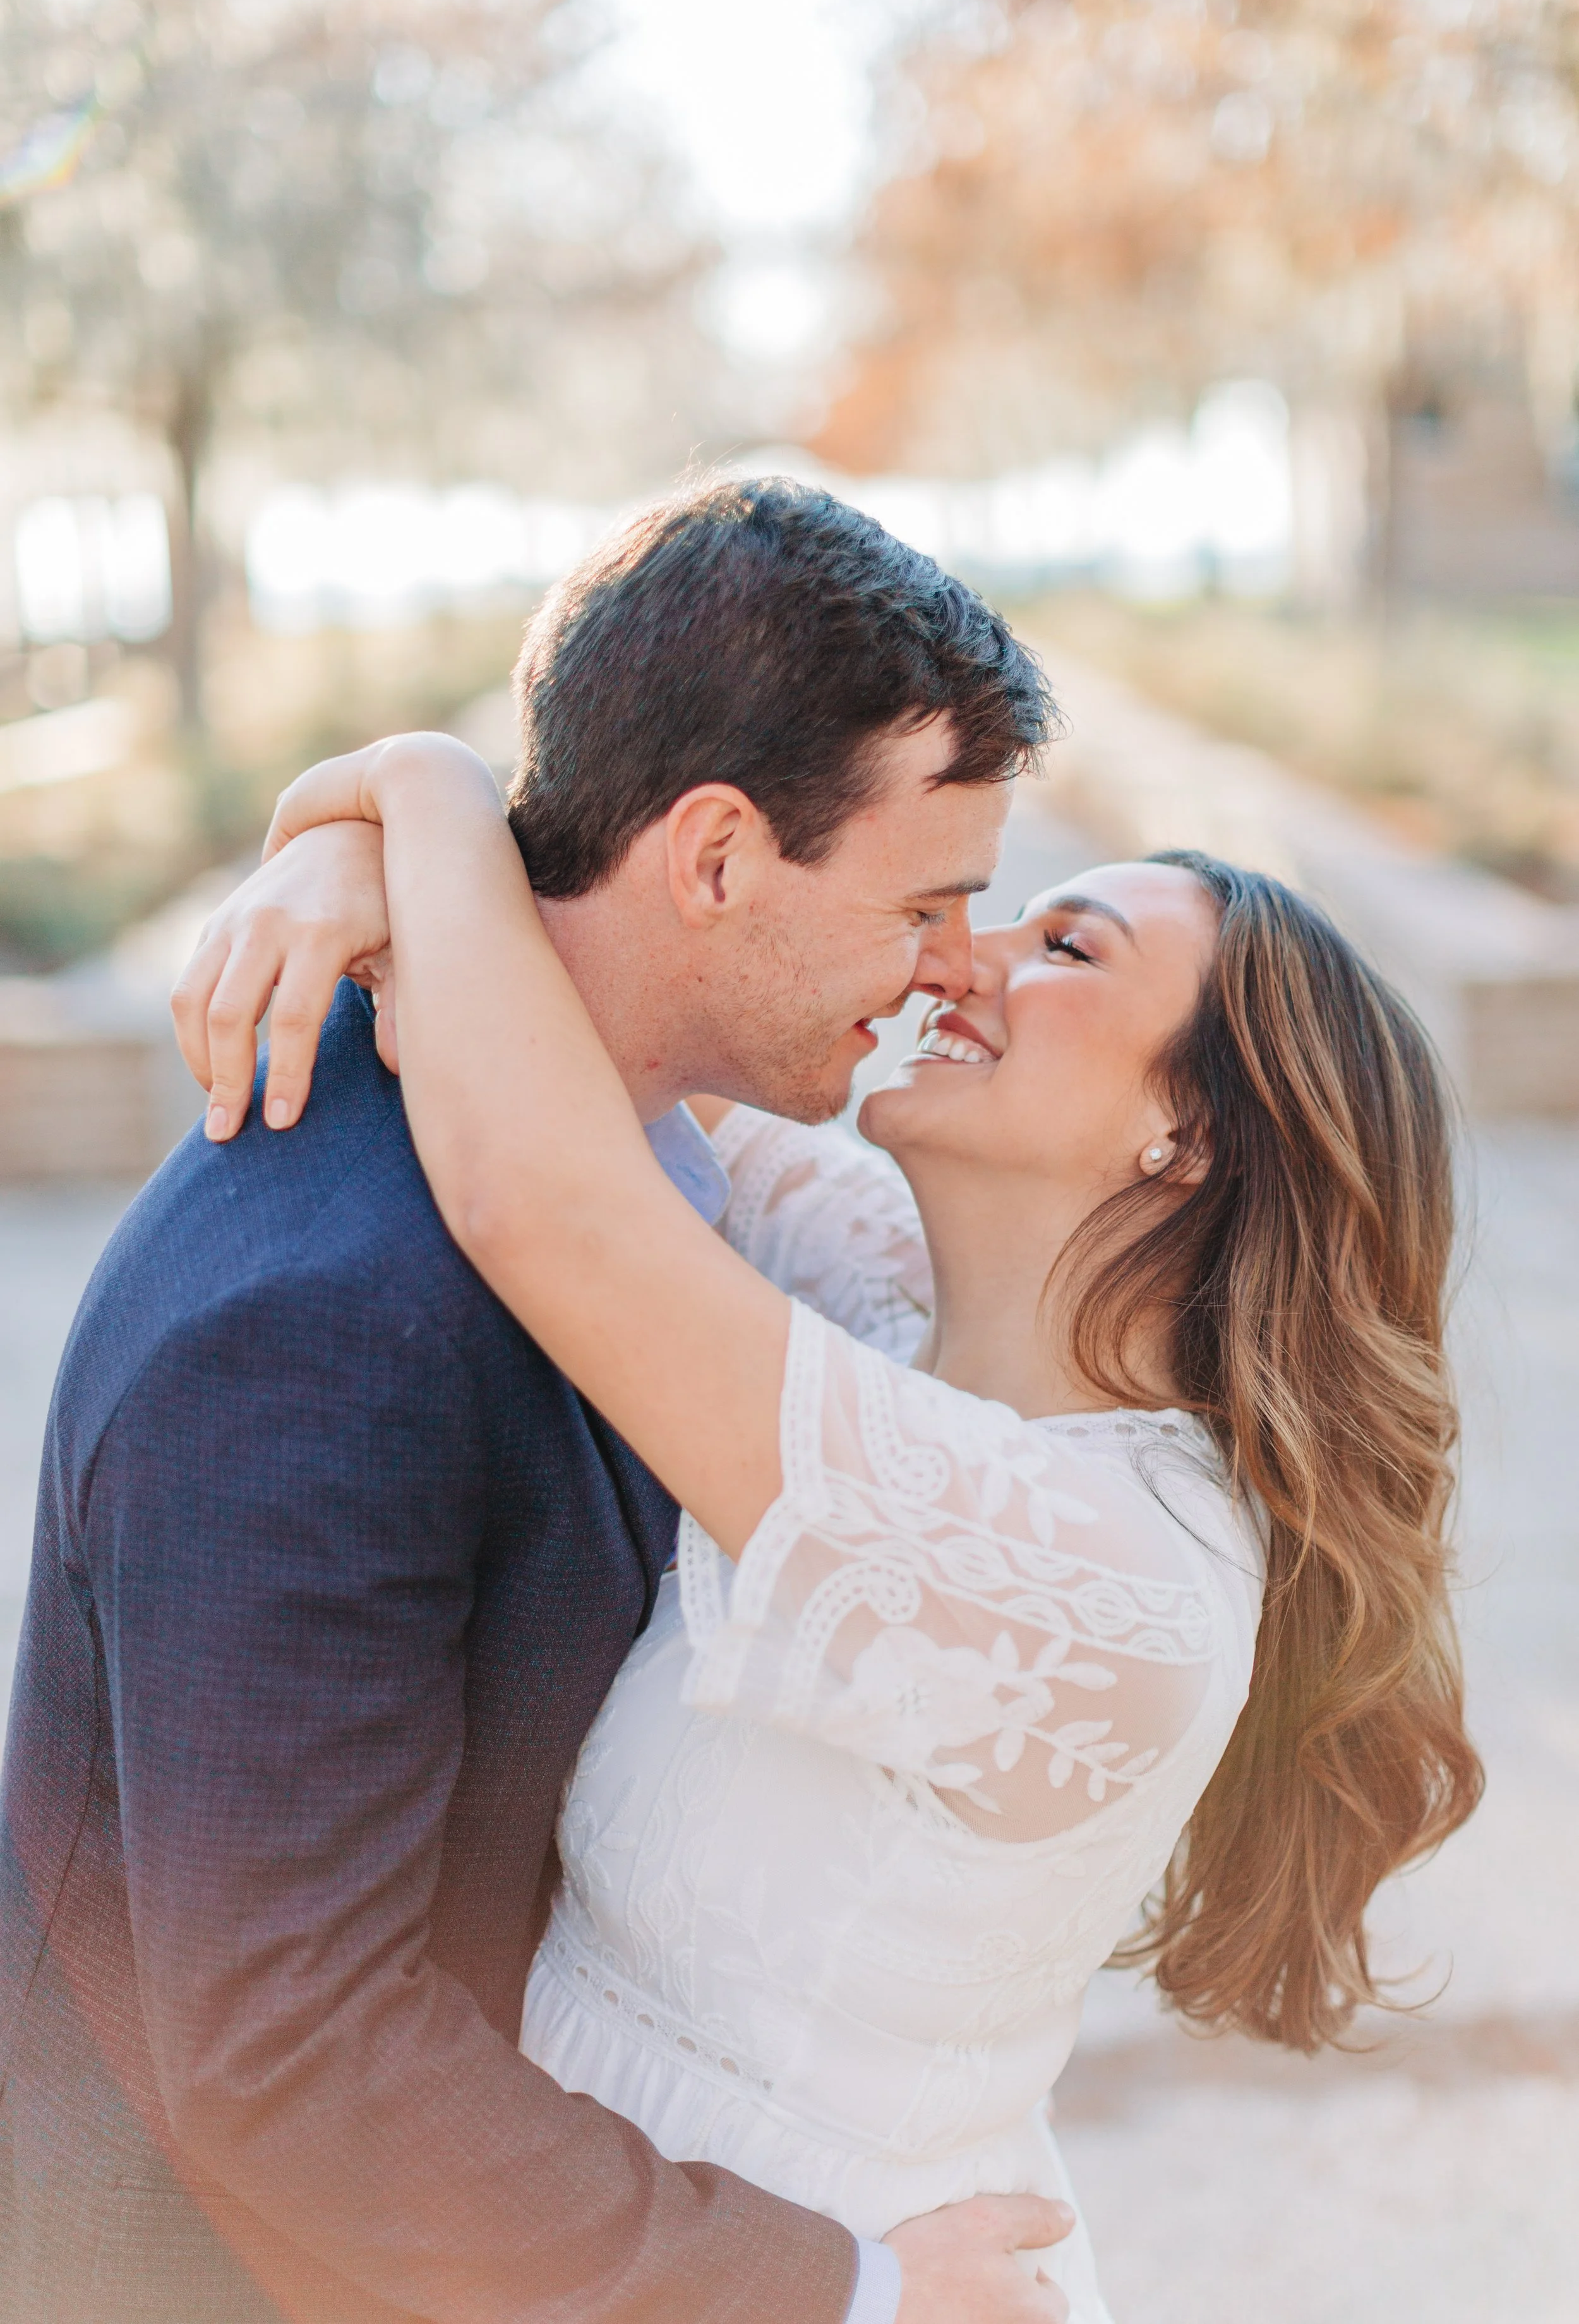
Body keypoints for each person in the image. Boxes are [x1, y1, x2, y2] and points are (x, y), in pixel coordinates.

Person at [175, 708, 1484, 2324]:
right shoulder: (889, 1302)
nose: (957, 961)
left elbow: (543, 1193)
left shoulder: (1099, 1579)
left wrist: (422, 784)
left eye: (1062, 943)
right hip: (599, 2243)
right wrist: (335, 859)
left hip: (831, 2275)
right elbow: (620, 1003)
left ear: (1190, 1133)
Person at [0, 482, 1078, 2324]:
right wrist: (848, 2291)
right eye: (923, 901)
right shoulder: (321, 1316)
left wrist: (385, 816)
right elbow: (289, 2050)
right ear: (716, 854)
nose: (951, 965)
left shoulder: (634, 1150)